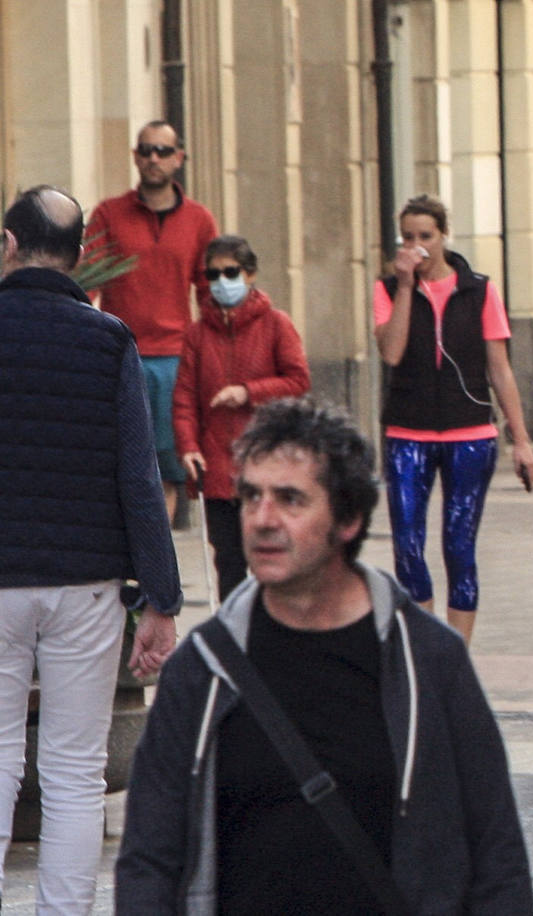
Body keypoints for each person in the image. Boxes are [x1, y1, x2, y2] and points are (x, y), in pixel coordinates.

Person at [116, 396, 533, 914]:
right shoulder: (202, 670)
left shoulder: (427, 658)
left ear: (349, 519)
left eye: (290, 499)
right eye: (251, 496)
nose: (262, 519)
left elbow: (496, 852)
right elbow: (149, 859)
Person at [0, 185, 180, 911]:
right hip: (87, 587)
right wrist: (161, 599)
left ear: (9, 245)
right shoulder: (109, 342)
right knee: (76, 771)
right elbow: (139, 478)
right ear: (78, 259)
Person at [373, 194, 533, 643]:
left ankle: (456, 652)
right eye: (408, 237)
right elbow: (391, 352)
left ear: (443, 236)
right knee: (407, 545)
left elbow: (499, 368)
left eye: (426, 236)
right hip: (408, 429)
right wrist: (406, 286)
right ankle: (425, 645)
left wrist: (520, 439)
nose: (417, 246)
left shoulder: (479, 289)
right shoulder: (388, 289)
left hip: (470, 431)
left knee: (458, 546)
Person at [86, 120, 220, 523]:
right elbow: (88, 280)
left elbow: (209, 291)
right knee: (123, 458)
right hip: (121, 353)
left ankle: (158, 565)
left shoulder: (200, 220)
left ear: (179, 158)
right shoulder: (108, 214)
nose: (153, 159)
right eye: (145, 150)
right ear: (135, 156)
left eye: (163, 151)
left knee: (165, 463)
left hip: (176, 357)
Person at [173, 235, 311, 599]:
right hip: (217, 466)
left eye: (230, 272)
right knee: (228, 561)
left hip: (266, 462)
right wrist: (187, 446)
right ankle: (234, 641)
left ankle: (274, 635)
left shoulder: (276, 324)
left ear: (249, 274)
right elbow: (185, 396)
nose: (221, 281)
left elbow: (298, 380)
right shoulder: (197, 333)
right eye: (212, 274)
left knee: (271, 557)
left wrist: (248, 392)